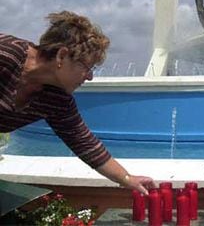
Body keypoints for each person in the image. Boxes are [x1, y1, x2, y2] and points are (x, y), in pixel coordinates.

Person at [0, 11, 155, 194]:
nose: (90, 76)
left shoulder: (56, 99)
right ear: (62, 56)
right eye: (86, 67)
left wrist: (126, 179)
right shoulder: (7, 54)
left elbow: (83, 142)